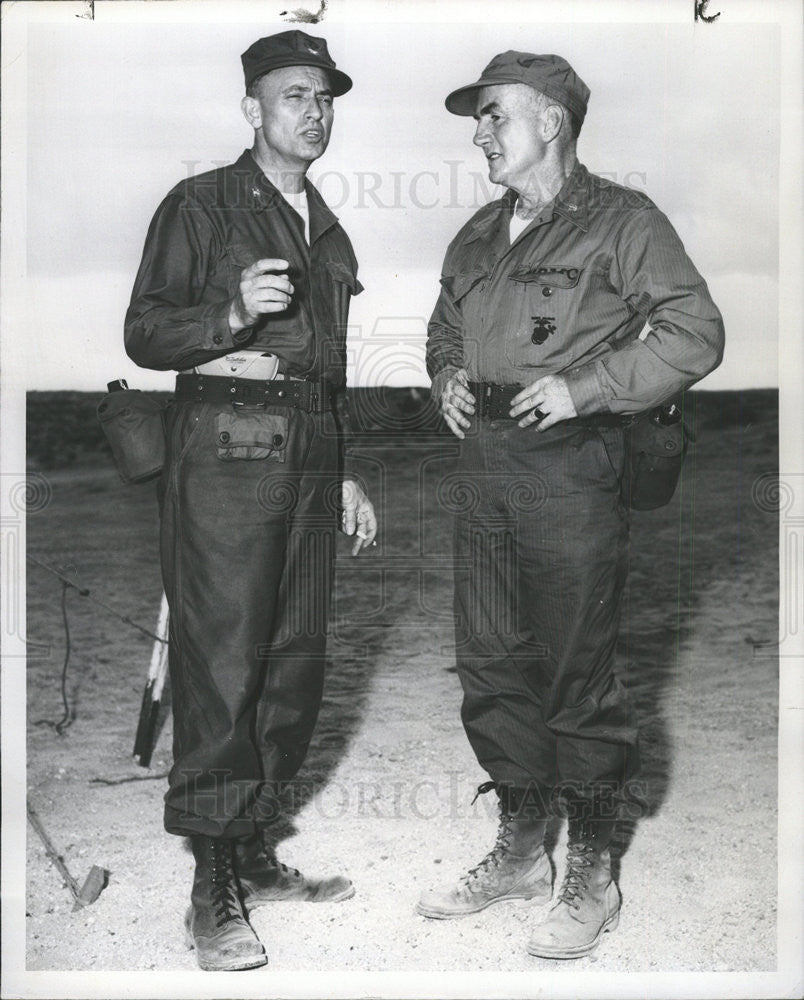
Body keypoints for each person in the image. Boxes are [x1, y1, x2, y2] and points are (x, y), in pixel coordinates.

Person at [419, 51, 724, 959]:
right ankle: (519, 845)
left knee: (575, 676)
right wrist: (443, 376)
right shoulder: (477, 234)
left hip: (571, 466)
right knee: (491, 665)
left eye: (494, 115)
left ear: (550, 121)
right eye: (476, 119)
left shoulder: (621, 221)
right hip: (484, 467)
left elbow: (695, 330)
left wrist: (587, 387)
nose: (479, 132)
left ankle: (591, 866)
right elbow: (444, 326)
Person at [125, 30, 377, 971]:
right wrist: (227, 316)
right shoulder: (201, 205)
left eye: (324, 98)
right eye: (293, 96)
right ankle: (210, 887)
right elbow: (144, 332)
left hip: (310, 452)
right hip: (228, 447)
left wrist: (343, 467)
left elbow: (331, 373)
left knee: (293, 661)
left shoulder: (329, 229)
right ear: (252, 109)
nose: (312, 113)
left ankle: (252, 846)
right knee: (224, 662)